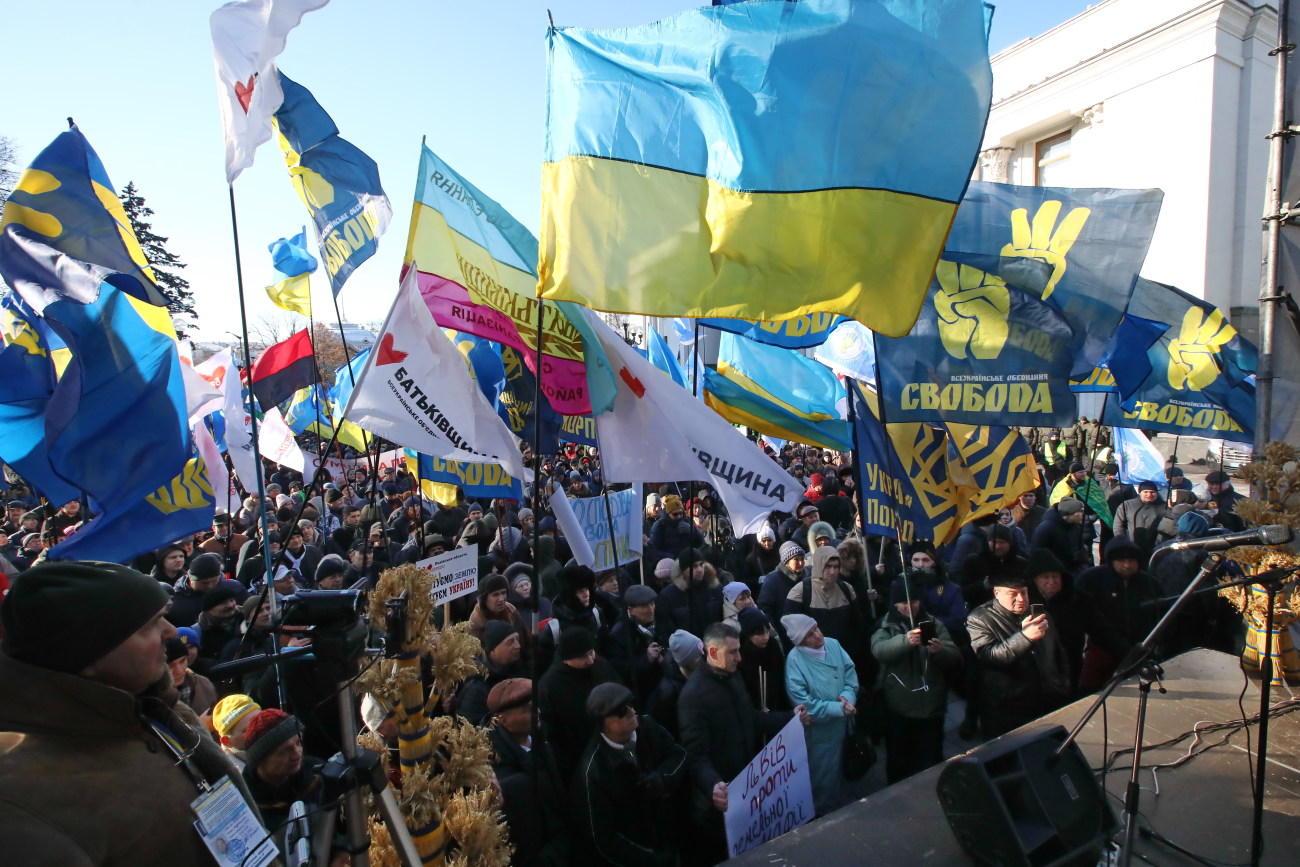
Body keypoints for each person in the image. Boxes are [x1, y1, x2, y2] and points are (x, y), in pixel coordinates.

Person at [0, 560, 260, 864]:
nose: (171, 631)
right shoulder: (22, 801)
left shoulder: (156, 706)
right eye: (149, 625)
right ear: (86, 652)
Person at [678, 623, 807, 865]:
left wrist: (790, 718)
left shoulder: (734, 676)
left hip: (748, 788)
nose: (740, 657)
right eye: (733, 652)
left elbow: (752, 719)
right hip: (720, 805)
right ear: (713, 652)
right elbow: (695, 755)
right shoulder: (692, 697)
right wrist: (713, 784)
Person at [571, 683, 687, 867]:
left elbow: (677, 754)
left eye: (631, 704)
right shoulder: (593, 773)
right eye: (621, 712)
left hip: (671, 840)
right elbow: (604, 840)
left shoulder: (647, 725)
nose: (632, 712)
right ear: (603, 725)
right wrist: (652, 861)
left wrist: (662, 778)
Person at [871, 577, 960, 783]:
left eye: (913, 601)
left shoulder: (934, 624)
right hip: (899, 707)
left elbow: (955, 657)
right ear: (895, 604)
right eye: (903, 602)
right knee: (899, 759)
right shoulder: (886, 626)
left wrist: (940, 651)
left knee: (931, 758)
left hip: (931, 705)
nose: (909, 607)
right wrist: (905, 641)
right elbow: (880, 650)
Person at [966, 573, 1072, 738]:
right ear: (997, 593)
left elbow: (1059, 652)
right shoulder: (980, 619)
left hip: (1049, 699)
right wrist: (1025, 637)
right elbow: (990, 656)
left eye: (1024, 592)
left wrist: (1063, 682)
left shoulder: (1038, 612)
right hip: (1010, 709)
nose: (1021, 599)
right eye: (1013, 594)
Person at [488, 678, 572, 866]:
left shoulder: (541, 738)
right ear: (504, 721)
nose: (538, 712)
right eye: (527, 710)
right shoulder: (506, 777)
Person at [782, 613, 859, 815]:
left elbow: (850, 673)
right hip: (820, 734)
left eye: (816, 628)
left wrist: (848, 696)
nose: (817, 635)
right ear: (800, 641)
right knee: (823, 778)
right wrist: (838, 708)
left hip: (844, 725)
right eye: (809, 635)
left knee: (845, 768)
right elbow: (803, 704)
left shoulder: (833, 644)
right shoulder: (795, 661)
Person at [1025, 548, 1127, 696]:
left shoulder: (1078, 600)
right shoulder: (1024, 602)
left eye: (1055, 576)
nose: (1051, 581)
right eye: (1045, 577)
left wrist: (1128, 653)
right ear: (1034, 579)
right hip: (1035, 673)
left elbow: (1101, 631)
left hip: (1071, 667)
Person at [1075, 537, 1164, 688]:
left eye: (1131, 560)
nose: (1127, 565)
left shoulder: (1150, 584)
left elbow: (1161, 614)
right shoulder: (1092, 579)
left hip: (1140, 651)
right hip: (1102, 650)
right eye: (1121, 560)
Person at [538, 626, 624, 779]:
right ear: (566, 659)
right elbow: (552, 735)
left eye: (591, 652)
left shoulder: (601, 665)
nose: (590, 660)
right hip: (579, 759)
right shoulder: (549, 686)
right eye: (583, 656)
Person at [240, 709, 325, 849]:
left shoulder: (317, 773)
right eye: (284, 751)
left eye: (298, 743)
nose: (297, 754)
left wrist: (342, 848)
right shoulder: (247, 808)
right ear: (259, 760)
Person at [605, 583, 665, 708]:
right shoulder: (619, 634)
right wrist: (646, 659)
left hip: (661, 688)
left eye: (652, 603)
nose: (651, 610)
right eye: (644, 606)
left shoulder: (661, 621)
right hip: (640, 695)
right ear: (631, 610)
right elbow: (618, 668)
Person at [456, 621, 526, 727]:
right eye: (510, 642)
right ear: (492, 650)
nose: (518, 646)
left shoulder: (520, 668)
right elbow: (471, 727)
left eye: (517, 639)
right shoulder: (476, 687)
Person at [655, 548, 723, 640]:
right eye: (694, 566)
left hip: (715, 644)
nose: (700, 570)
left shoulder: (715, 589)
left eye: (701, 564)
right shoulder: (668, 596)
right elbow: (665, 630)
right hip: (685, 647)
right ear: (683, 570)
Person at [736, 606, 791, 712]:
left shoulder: (773, 646)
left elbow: (781, 678)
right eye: (760, 633)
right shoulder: (740, 654)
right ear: (748, 634)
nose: (766, 637)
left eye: (767, 631)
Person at [1111, 481, 1168, 568]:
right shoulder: (1127, 505)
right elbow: (1118, 526)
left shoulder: (1165, 507)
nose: (1149, 495)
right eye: (1146, 492)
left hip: (1156, 548)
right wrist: (1122, 542)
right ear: (1140, 492)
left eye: (1152, 492)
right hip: (1132, 547)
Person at [757, 541, 805, 626]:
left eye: (802, 559)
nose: (800, 563)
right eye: (796, 559)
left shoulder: (806, 576)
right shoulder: (772, 580)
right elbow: (765, 609)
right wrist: (776, 632)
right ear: (786, 562)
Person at [166, 637, 216, 715]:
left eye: (182, 661)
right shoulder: (151, 695)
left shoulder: (204, 684)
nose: (179, 671)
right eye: (170, 666)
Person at [213, 694, 261, 771]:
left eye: (261, 721)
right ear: (227, 741)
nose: (260, 729)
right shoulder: (227, 773)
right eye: (248, 729)